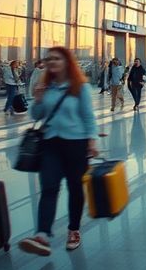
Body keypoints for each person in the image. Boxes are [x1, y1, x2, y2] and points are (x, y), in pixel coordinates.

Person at [18, 46, 98, 256]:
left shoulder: (80, 87)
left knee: (74, 187)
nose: (51, 62)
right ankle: (42, 235)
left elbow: (88, 116)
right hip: (50, 144)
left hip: (76, 144)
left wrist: (92, 140)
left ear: (67, 62)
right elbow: (36, 116)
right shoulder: (46, 86)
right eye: (49, 59)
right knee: (49, 187)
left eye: (57, 59)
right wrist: (37, 100)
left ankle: (73, 230)